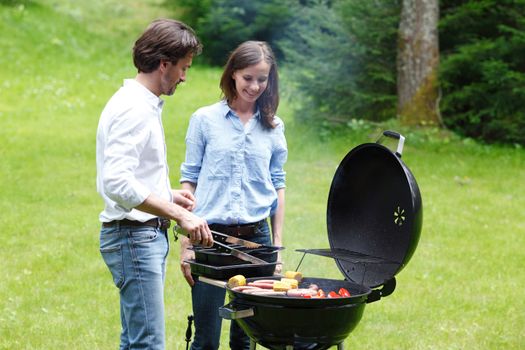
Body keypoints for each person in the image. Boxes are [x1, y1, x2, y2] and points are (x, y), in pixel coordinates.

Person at [96, 19, 213, 350]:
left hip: (139, 236)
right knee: (148, 344)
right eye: (183, 68)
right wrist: (179, 213)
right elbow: (117, 182)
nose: (185, 77)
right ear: (164, 64)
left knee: (134, 341)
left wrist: (167, 193)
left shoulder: (141, 104)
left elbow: (131, 174)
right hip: (133, 238)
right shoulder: (133, 108)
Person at [179, 41, 288, 350]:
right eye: (248, 78)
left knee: (247, 339)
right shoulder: (204, 120)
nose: (255, 86)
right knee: (206, 339)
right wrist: (187, 246)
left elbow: (278, 185)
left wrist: (277, 246)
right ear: (233, 75)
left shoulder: (274, 126)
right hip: (211, 239)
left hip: (258, 240)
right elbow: (189, 181)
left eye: (262, 79)